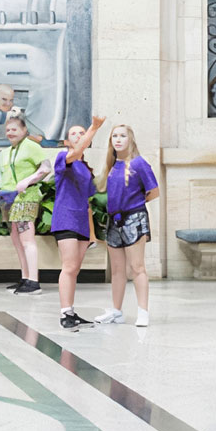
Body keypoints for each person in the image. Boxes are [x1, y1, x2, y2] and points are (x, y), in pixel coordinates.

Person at [20, 115, 104, 328]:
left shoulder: (85, 169)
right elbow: (75, 153)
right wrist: (94, 127)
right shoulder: (62, 157)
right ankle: (65, 314)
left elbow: (87, 202)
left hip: (81, 222)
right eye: (73, 133)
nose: (78, 135)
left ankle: (71, 311)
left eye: (81, 132)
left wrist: (92, 234)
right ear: (67, 141)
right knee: (68, 267)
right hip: (65, 219)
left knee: (75, 269)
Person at [97, 124, 158, 327]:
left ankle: (143, 311)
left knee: (137, 267)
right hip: (114, 221)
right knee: (116, 269)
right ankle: (116, 310)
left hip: (134, 218)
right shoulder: (112, 165)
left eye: (122, 136)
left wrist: (135, 205)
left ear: (130, 139)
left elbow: (154, 191)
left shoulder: (139, 163)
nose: (118, 139)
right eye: (115, 136)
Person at [0, 111, 48, 294]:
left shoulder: (31, 146)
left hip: (26, 197)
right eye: (8, 129)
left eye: (14, 129)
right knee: (16, 239)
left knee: (27, 239)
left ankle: (34, 281)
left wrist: (29, 180)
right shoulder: (7, 151)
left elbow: (46, 167)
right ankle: (25, 277)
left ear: (24, 130)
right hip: (9, 198)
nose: (10, 132)